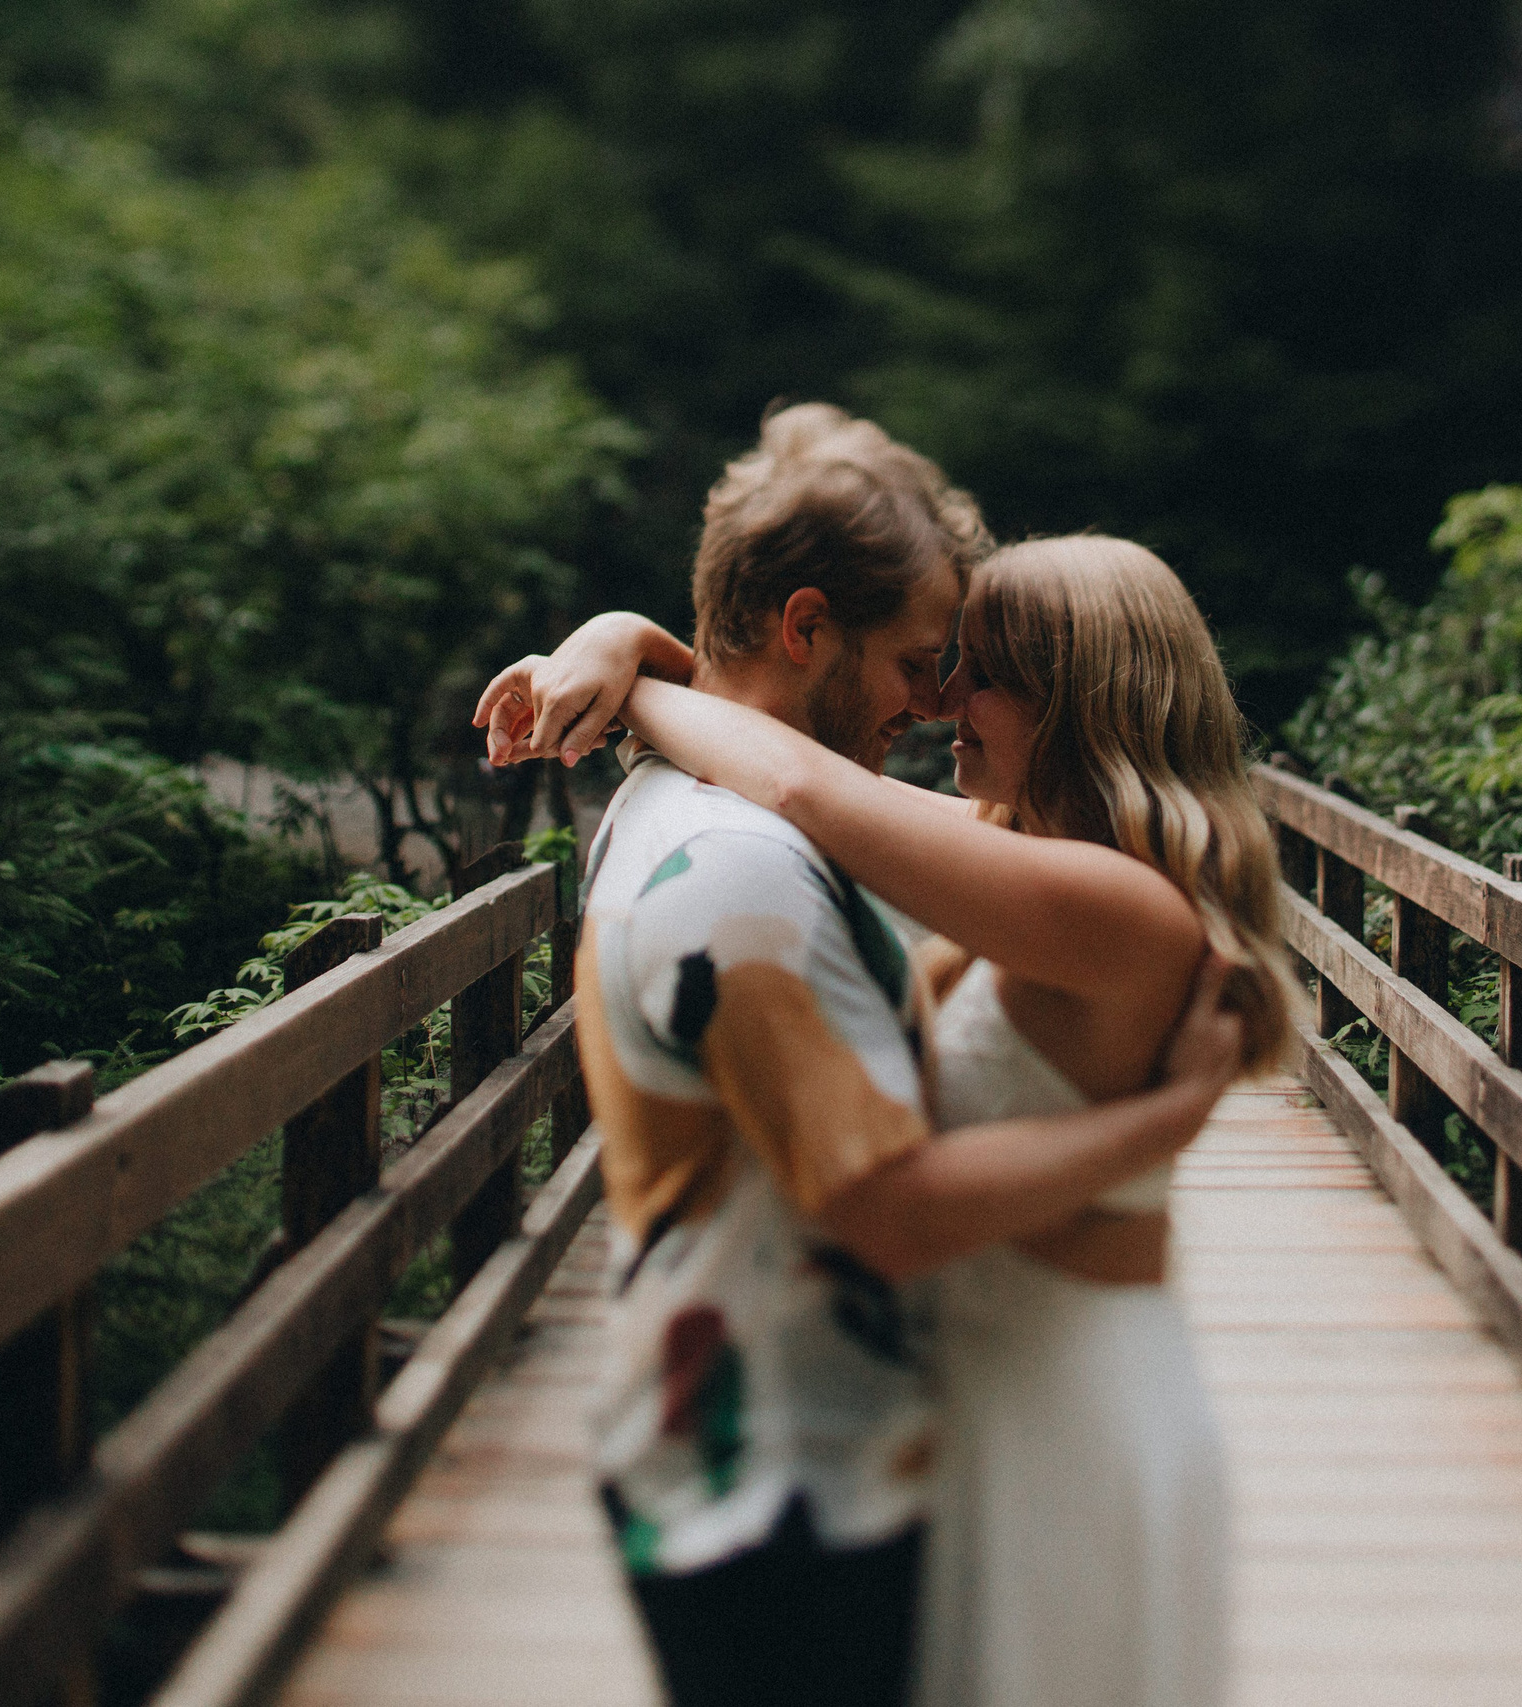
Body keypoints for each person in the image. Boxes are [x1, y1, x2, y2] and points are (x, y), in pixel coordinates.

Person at [472, 407, 1248, 1707]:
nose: (940, 699)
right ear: (811, 629)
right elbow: (790, 770)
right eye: (932, 661)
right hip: (912, 1418)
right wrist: (624, 655)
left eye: (974, 670)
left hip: (1050, 1402)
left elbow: (803, 785)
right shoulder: (965, 851)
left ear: (1078, 701)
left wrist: (631, 675)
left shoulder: (1111, 904)